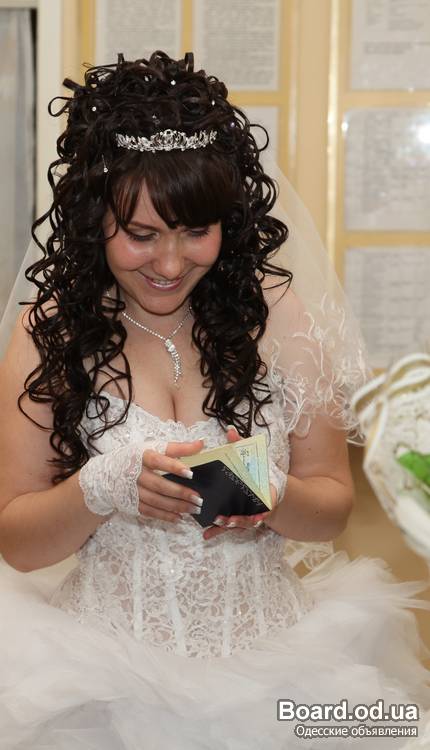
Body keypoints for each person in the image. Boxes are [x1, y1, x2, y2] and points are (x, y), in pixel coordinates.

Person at [0, 50, 429, 749]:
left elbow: (332, 508)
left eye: (196, 231)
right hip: (100, 682)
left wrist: (265, 493)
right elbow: (17, 542)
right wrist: (103, 487)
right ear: (93, 219)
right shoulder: (47, 333)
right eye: (142, 235)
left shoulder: (281, 319)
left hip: (278, 669)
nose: (171, 264)